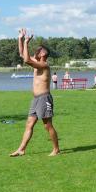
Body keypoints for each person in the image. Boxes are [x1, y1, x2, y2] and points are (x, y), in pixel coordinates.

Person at [10, 29, 60, 157]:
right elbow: (22, 55)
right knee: (29, 124)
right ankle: (21, 149)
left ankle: (56, 149)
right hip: (36, 99)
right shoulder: (37, 63)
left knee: (47, 125)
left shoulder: (44, 65)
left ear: (43, 53)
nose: (36, 51)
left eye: (38, 50)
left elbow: (27, 60)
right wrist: (20, 39)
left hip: (44, 98)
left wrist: (26, 42)